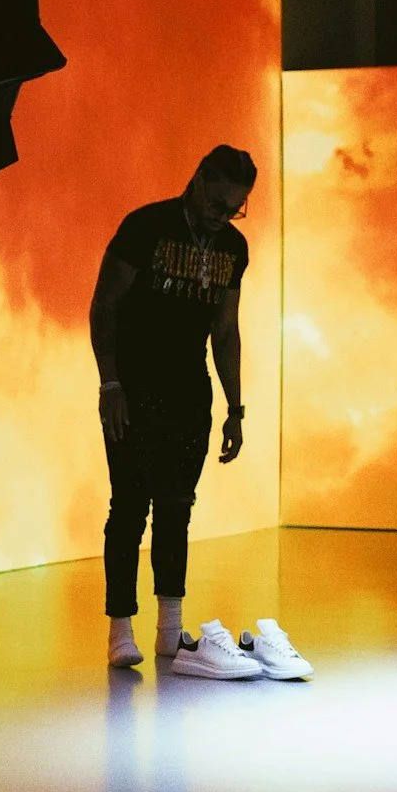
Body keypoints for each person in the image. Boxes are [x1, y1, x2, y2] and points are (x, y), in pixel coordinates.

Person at [89, 145, 268, 679]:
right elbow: (105, 305)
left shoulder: (233, 248)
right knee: (128, 509)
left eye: (235, 208)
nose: (223, 214)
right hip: (134, 391)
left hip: (192, 394)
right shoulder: (145, 227)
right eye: (218, 201)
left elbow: (226, 330)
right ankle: (120, 629)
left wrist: (236, 408)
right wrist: (111, 383)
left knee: (176, 507)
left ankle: (170, 631)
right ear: (198, 180)